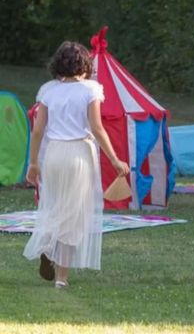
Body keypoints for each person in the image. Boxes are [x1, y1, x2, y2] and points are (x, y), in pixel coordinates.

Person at [23, 41, 129, 289]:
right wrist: (114, 159)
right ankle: (61, 278)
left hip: (53, 154)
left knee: (56, 206)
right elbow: (96, 128)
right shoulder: (90, 90)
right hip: (79, 154)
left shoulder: (49, 91)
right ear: (85, 65)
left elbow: (38, 130)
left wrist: (33, 162)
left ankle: (48, 244)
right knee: (73, 216)